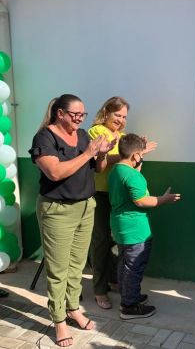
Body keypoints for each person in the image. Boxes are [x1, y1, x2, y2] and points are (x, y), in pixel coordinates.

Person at [29, 94, 114, 347]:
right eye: (75, 114)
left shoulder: (84, 134)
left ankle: (73, 308)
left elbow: (97, 169)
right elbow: (54, 172)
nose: (79, 119)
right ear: (60, 113)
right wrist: (89, 152)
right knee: (58, 270)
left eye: (82, 114)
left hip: (86, 206)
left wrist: (101, 155)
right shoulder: (45, 137)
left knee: (77, 266)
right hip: (57, 210)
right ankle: (59, 321)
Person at [88, 97, 156, 309]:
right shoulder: (96, 131)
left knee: (120, 243)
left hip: (121, 197)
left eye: (124, 116)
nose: (121, 120)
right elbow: (101, 162)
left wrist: (138, 156)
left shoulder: (125, 137)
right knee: (101, 243)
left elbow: (132, 167)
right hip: (101, 193)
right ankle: (99, 290)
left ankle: (116, 282)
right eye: (117, 114)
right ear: (106, 112)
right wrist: (129, 154)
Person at [108, 134, 180, 319]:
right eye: (141, 155)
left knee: (124, 264)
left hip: (120, 227)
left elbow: (129, 188)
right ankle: (129, 306)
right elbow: (140, 200)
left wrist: (138, 165)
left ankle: (129, 295)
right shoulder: (133, 176)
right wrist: (163, 199)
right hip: (136, 231)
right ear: (136, 156)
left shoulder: (115, 170)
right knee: (134, 268)